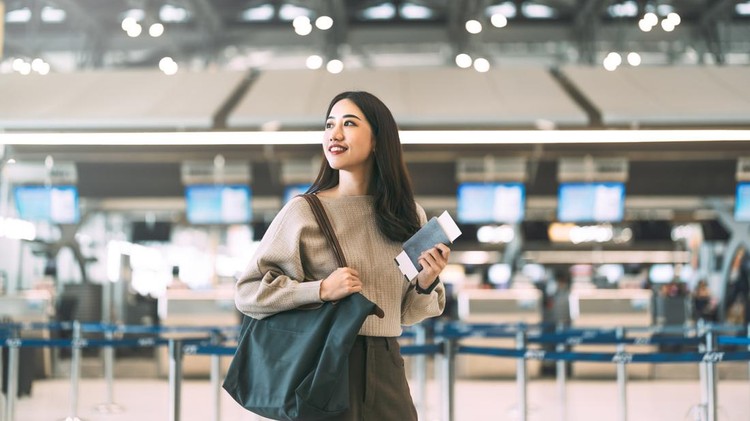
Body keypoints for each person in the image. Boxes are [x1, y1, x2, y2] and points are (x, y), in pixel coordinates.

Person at [234, 91, 449, 420]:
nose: (334, 134)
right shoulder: (303, 211)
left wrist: (425, 282)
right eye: (329, 125)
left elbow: (404, 313)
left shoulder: (408, 215)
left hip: (387, 365)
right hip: (325, 365)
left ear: (378, 139)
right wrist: (320, 290)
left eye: (349, 123)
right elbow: (247, 292)